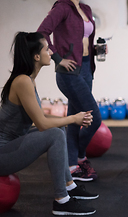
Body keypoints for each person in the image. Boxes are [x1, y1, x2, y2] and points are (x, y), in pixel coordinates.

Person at [0, 32, 98, 215]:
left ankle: (69, 185)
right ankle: (61, 200)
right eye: (47, 49)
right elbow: (43, 125)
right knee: (54, 132)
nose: (51, 52)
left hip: (11, 146)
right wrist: (74, 118)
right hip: (2, 155)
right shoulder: (22, 81)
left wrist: (68, 120)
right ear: (36, 56)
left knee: (58, 127)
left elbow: (43, 119)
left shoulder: (29, 80)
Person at [37, 0, 102, 181]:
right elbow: (41, 33)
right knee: (94, 118)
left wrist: (96, 50)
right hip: (69, 71)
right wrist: (57, 58)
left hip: (86, 68)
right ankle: (81, 157)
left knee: (76, 119)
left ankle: (73, 166)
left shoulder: (86, 9)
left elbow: (84, 39)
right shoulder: (62, 8)